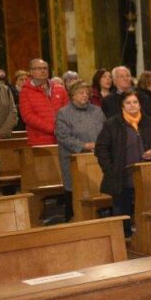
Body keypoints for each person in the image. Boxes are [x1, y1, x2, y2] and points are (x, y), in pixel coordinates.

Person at [95, 90, 151, 237]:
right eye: (128, 103)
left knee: (146, 206)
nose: (132, 106)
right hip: (122, 175)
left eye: (135, 102)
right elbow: (101, 149)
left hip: (145, 175)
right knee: (122, 208)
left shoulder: (150, 122)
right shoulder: (112, 124)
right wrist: (110, 169)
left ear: (140, 105)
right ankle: (123, 237)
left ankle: (146, 235)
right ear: (122, 106)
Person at [54, 81, 106, 221]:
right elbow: (63, 137)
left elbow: (106, 131)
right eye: (80, 93)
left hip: (96, 157)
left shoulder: (97, 111)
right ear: (72, 95)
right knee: (75, 191)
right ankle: (73, 220)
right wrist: (84, 145)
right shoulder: (64, 113)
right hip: (74, 159)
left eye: (86, 93)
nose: (84, 96)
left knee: (97, 189)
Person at [19, 58, 68, 145]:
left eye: (45, 68)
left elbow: (68, 111)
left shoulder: (59, 89)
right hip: (39, 140)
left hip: (63, 138)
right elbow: (28, 116)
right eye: (38, 68)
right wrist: (53, 129)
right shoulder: (25, 91)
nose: (43, 71)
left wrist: (63, 128)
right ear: (31, 72)